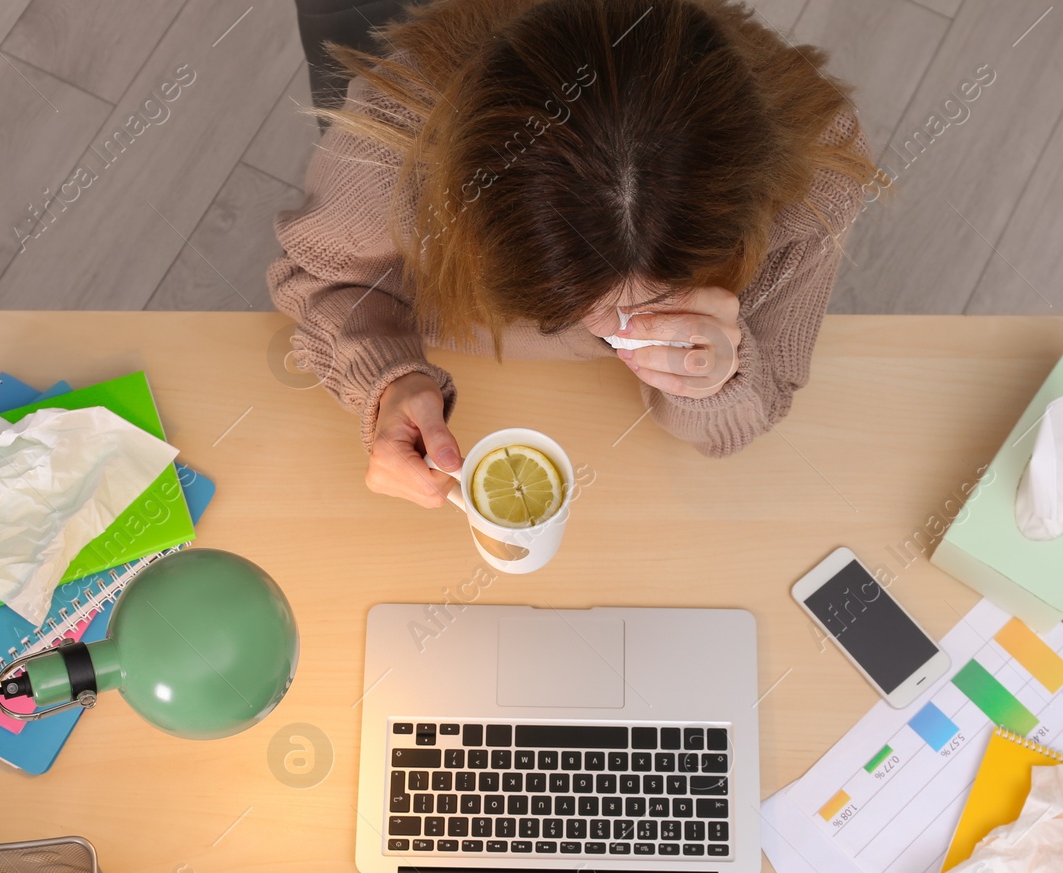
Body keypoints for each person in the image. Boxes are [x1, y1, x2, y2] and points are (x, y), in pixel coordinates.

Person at [269, 0, 879, 508]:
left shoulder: (816, 182)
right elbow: (320, 279)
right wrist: (386, 377)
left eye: (661, 295)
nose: (614, 334)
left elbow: (763, 393)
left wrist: (718, 381)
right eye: (563, 302)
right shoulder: (391, 146)